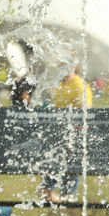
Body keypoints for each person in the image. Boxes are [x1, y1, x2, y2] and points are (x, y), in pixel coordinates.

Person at [39, 65, 93, 202]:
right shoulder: (62, 84)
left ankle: (67, 215)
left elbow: (85, 113)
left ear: (74, 65)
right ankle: (55, 213)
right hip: (57, 138)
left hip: (72, 141)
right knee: (46, 190)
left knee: (67, 191)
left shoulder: (80, 85)